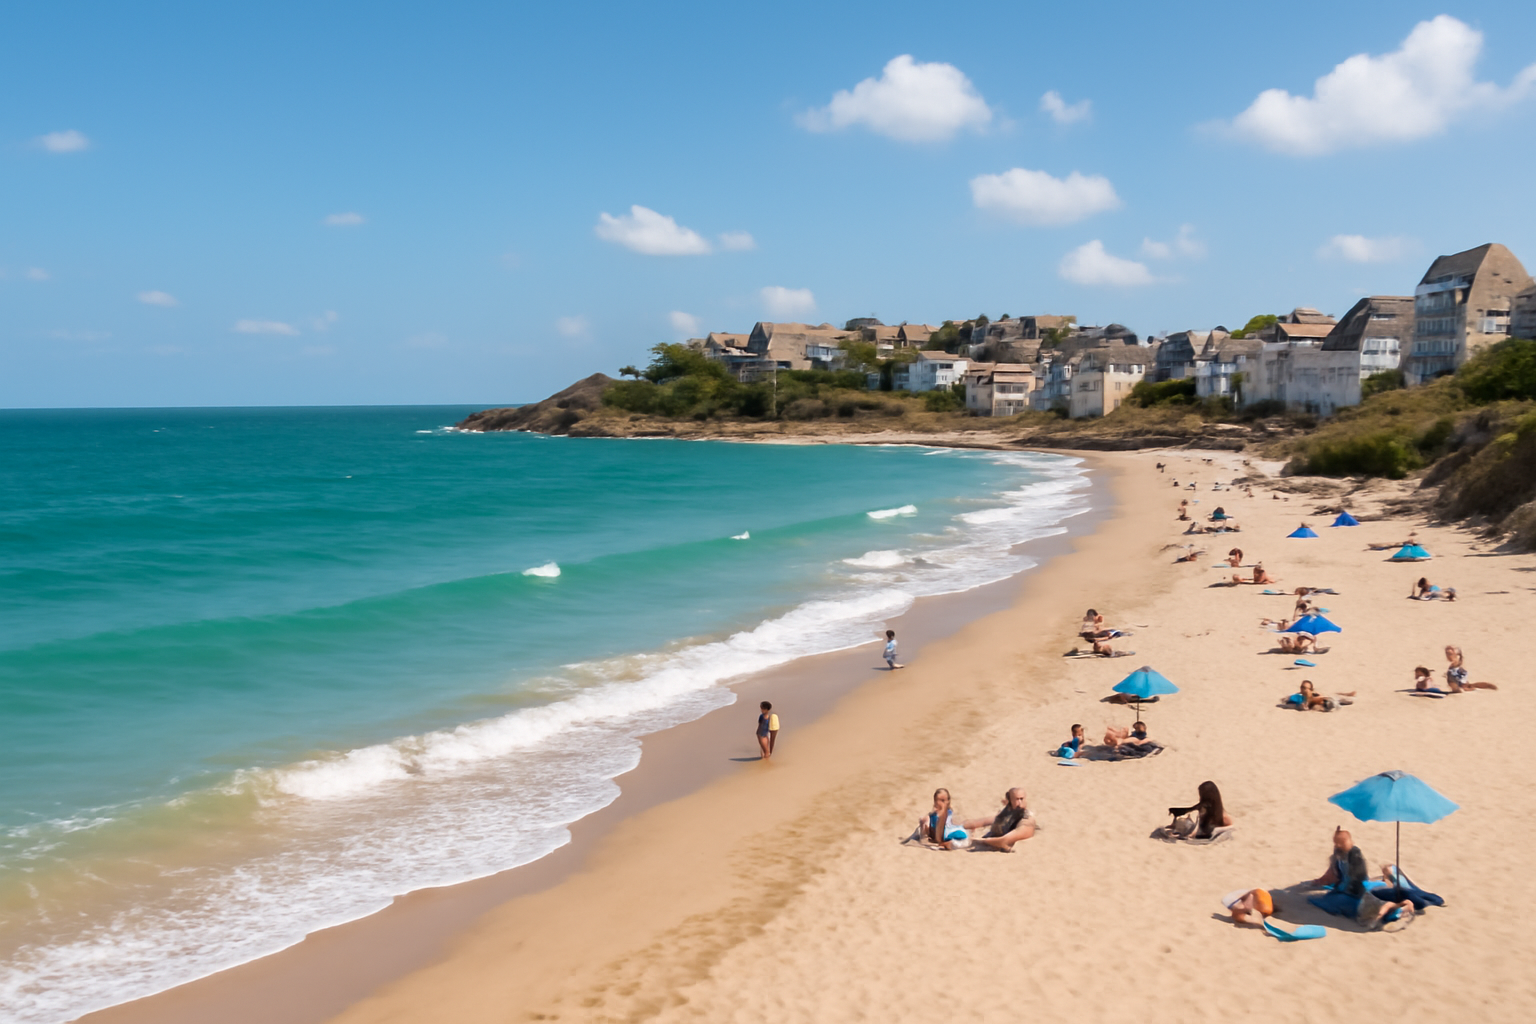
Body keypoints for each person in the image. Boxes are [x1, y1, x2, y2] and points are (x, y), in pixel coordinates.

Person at [1310, 828, 1415, 930]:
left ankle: (1400, 908)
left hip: (1356, 893)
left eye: (1341, 843)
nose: (1338, 846)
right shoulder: (1339, 854)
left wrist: (1342, 888)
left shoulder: (1355, 856)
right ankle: (1398, 906)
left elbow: (1356, 880)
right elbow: (1333, 872)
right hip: (1353, 889)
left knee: (1340, 903)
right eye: (1336, 843)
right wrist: (1322, 880)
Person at [963, 788, 1038, 852]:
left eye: (1021, 799)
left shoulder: (1027, 821)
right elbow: (980, 822)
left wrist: (975, 840)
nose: (1019, 803)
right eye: (1016, 799)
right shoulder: (1008, 814)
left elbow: (1004, 841)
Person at [1167, 780, 1233, 839]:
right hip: (1200, 830)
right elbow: (1198, 822)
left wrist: (1216, 830)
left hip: (1206, 832)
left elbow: (1232, 827)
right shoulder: (1204, 807)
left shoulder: (1222, 815)